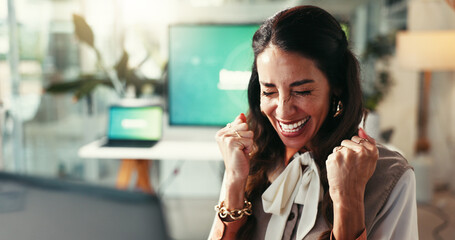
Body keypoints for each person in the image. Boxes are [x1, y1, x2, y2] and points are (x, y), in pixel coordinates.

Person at [209, 5, 418, 240]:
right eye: (269, 92)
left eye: (302, 91)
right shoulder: (250, 158)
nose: (284, 111)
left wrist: (348, 201)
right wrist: (234, 181)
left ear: (336, 86)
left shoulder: (391, 178)